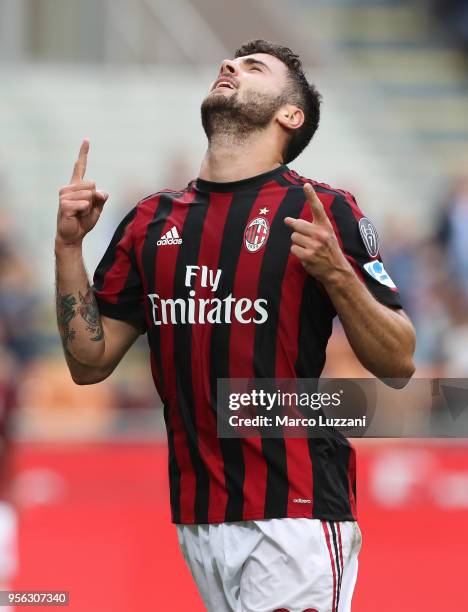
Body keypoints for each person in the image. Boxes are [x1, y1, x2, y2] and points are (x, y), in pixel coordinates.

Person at [55, 40, 416, 612]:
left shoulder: (321, 210)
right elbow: (88, 363)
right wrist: (69, 248)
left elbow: (399, 362)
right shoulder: (150, 221)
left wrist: (338, 274)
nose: (229, 67)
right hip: (199, 517)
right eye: (229, 63)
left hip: (295, 509)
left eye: (253, 68)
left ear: (289, 116)